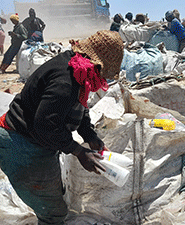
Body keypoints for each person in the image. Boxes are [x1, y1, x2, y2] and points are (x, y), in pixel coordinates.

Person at [0, 30, 124, 224]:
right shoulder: (66, 78)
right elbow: (46, 125)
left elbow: (78, 107)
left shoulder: (78, 71)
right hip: (22, 143)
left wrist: (89, 135)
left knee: (55, 196)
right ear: (97, 64)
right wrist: (79, 152)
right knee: (53, 212)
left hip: (38, 142)